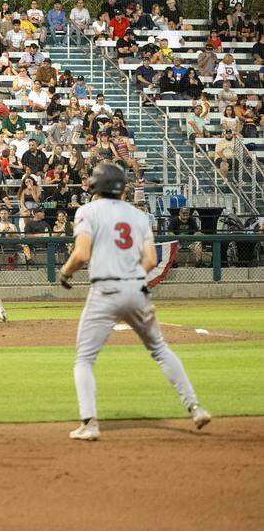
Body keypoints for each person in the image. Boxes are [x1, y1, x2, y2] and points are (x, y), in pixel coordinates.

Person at [58, 162, 211, 441]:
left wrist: (65, 273)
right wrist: (131, 280)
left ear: (95, 185)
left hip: (104, 291)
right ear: (122, 187)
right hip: (137, 289)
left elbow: (80, 255)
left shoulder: (87, 211)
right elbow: (151, 260)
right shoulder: (139, 216)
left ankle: (90, 424)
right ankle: (196, 407)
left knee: (84, 359)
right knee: (160, 349)